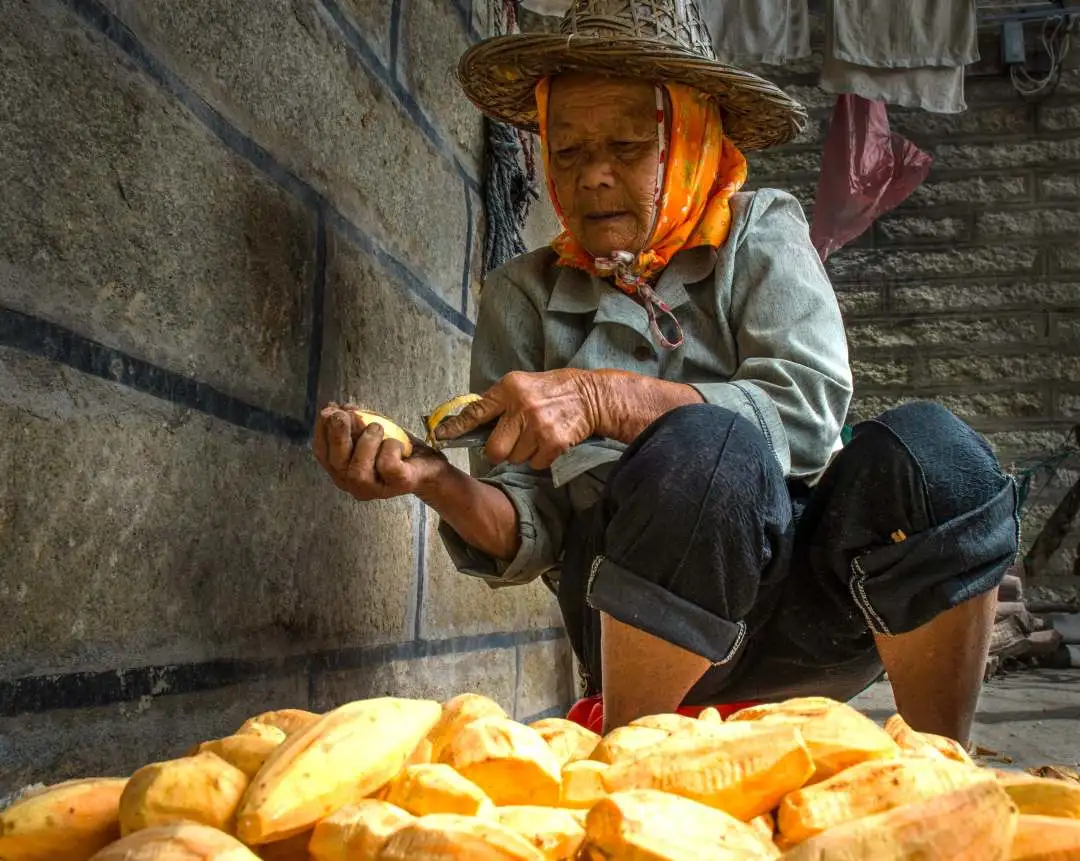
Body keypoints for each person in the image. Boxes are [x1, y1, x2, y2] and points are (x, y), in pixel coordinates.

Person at [313, 0, 1019, 743]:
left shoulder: (761, 233)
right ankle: (632, 775)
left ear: (690, 140)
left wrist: (602, 397)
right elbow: (530, 528)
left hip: (804, 619)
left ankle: (945, 759)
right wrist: (434, 481)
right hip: (633, 615)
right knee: (702, 454)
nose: (594, 177)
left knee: (933, 455)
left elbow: (809, 416)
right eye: (568, 152)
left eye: (626, 145)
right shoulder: (523, 296)